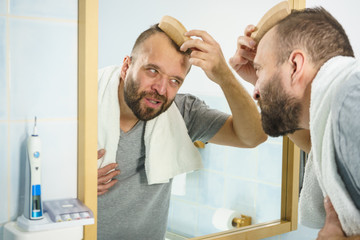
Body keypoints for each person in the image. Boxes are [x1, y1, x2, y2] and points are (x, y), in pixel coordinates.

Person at [96, 23, 267, 240]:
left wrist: (224, 75)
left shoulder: (181, 112)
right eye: (152, 70)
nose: (161, 89)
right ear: (126, 66)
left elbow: (254, 136)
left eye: (175, 80)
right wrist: (70, 184)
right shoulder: (76, 110)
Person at [229, 7, 360, 240]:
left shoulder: (353, 101)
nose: (255, 93)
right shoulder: (339, 115)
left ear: (296, 66)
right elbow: (316, 144)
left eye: (259, 70)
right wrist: (263, 83)